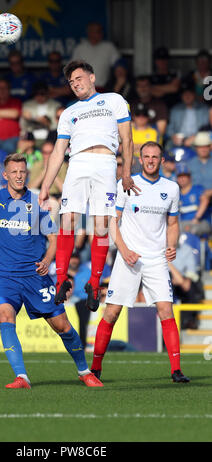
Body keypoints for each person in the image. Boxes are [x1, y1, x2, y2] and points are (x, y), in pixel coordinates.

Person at [0, 152, 103, 389]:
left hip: (35, 277)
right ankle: (22, 377)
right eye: (14, 172)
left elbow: (53, 239)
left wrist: (48, 261)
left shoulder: (37, 204)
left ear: (27, 173)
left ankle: (84, 371)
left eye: (22, 171)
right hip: (4, 277)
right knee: (5, 315)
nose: (19, 176)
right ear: (5, 175)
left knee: (62, 326)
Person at [39, 60, 139, 312]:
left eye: (79, 78)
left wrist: (126, 172)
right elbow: (58, 152)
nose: (75, 84)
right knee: (68, 220)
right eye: (71, 82)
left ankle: (94, 284)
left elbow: (127, 138)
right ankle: (61, 279)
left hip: (106, 162)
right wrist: (44, 186)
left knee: (102, 225)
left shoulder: (114, 100)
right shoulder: (69, 113)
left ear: (92, 77)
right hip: (78, 162)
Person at [91, 141, 190, 383]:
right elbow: (113, 221)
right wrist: (123, 250)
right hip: (129, 258)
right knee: (112, 312)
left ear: (162, 161)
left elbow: (173, 223)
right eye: (146, 156)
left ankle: (176, 370)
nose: (150, 160)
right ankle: (94, 368)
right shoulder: (126, 184)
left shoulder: (172, 188)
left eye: (155, 157)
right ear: (140, 159)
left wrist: (172, 245)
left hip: (156, 259)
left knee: (166, 310)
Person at [72, 22, 120, 92]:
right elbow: (73, 69)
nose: (98, 34)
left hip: (103, 88)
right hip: (84, 89)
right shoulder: (80, 48)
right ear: (89, 33)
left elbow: (118, 64)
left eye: (99, 31)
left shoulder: (109, 47)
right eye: (94, 31)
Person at [166, 79, 209, 148]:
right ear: (181, 96)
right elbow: (170, 128)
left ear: (194, 95)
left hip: (197, 139)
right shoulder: (176, 109)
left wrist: (195, 137)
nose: (187, 96)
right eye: (185, 94)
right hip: (179, 140)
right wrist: (173, 136)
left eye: (190, 94)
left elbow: (206, 128)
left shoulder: (203, 109)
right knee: (168, 146)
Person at [20, 81, 62, 148]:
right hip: (31, 137)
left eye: (42, 93)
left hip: (51, 137)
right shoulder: (27, 105)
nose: (39, 96)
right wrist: (35, 119)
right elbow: (23, 125)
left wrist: (48, 123)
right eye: (37, 94)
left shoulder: (56, 105)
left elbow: (59, 125)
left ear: (47, 93)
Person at [176, 163, 211, 237]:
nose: (182, 179)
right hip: (183, 224)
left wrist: (196, 218)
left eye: (184, 176)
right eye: (179, 176)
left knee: (193, 230)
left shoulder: (197, 189)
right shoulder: (177, 194)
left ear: (190, 177)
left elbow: (205, 200)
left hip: (201, 222)